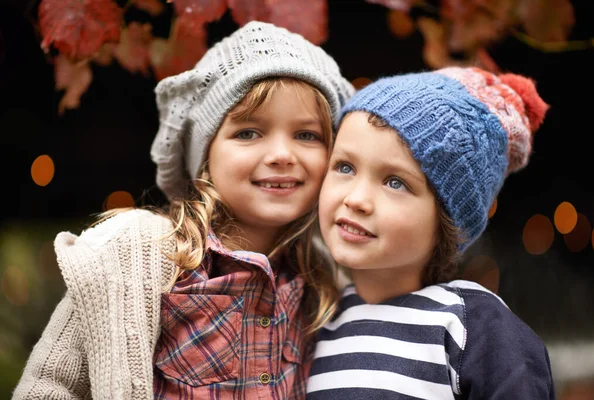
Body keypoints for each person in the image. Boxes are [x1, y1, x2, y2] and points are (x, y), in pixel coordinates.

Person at [13, 21, 354, 399]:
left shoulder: (324, 278)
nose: (280, 155)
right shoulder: (138, 257)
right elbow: (49, 386)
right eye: (248, 133)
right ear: (204, 154)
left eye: (306, 135)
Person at [306, 66, 555, 399]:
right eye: (345, 167)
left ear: (448, 221)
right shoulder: (315, 321)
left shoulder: (472, 327)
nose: (356, 199)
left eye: (395, 182)